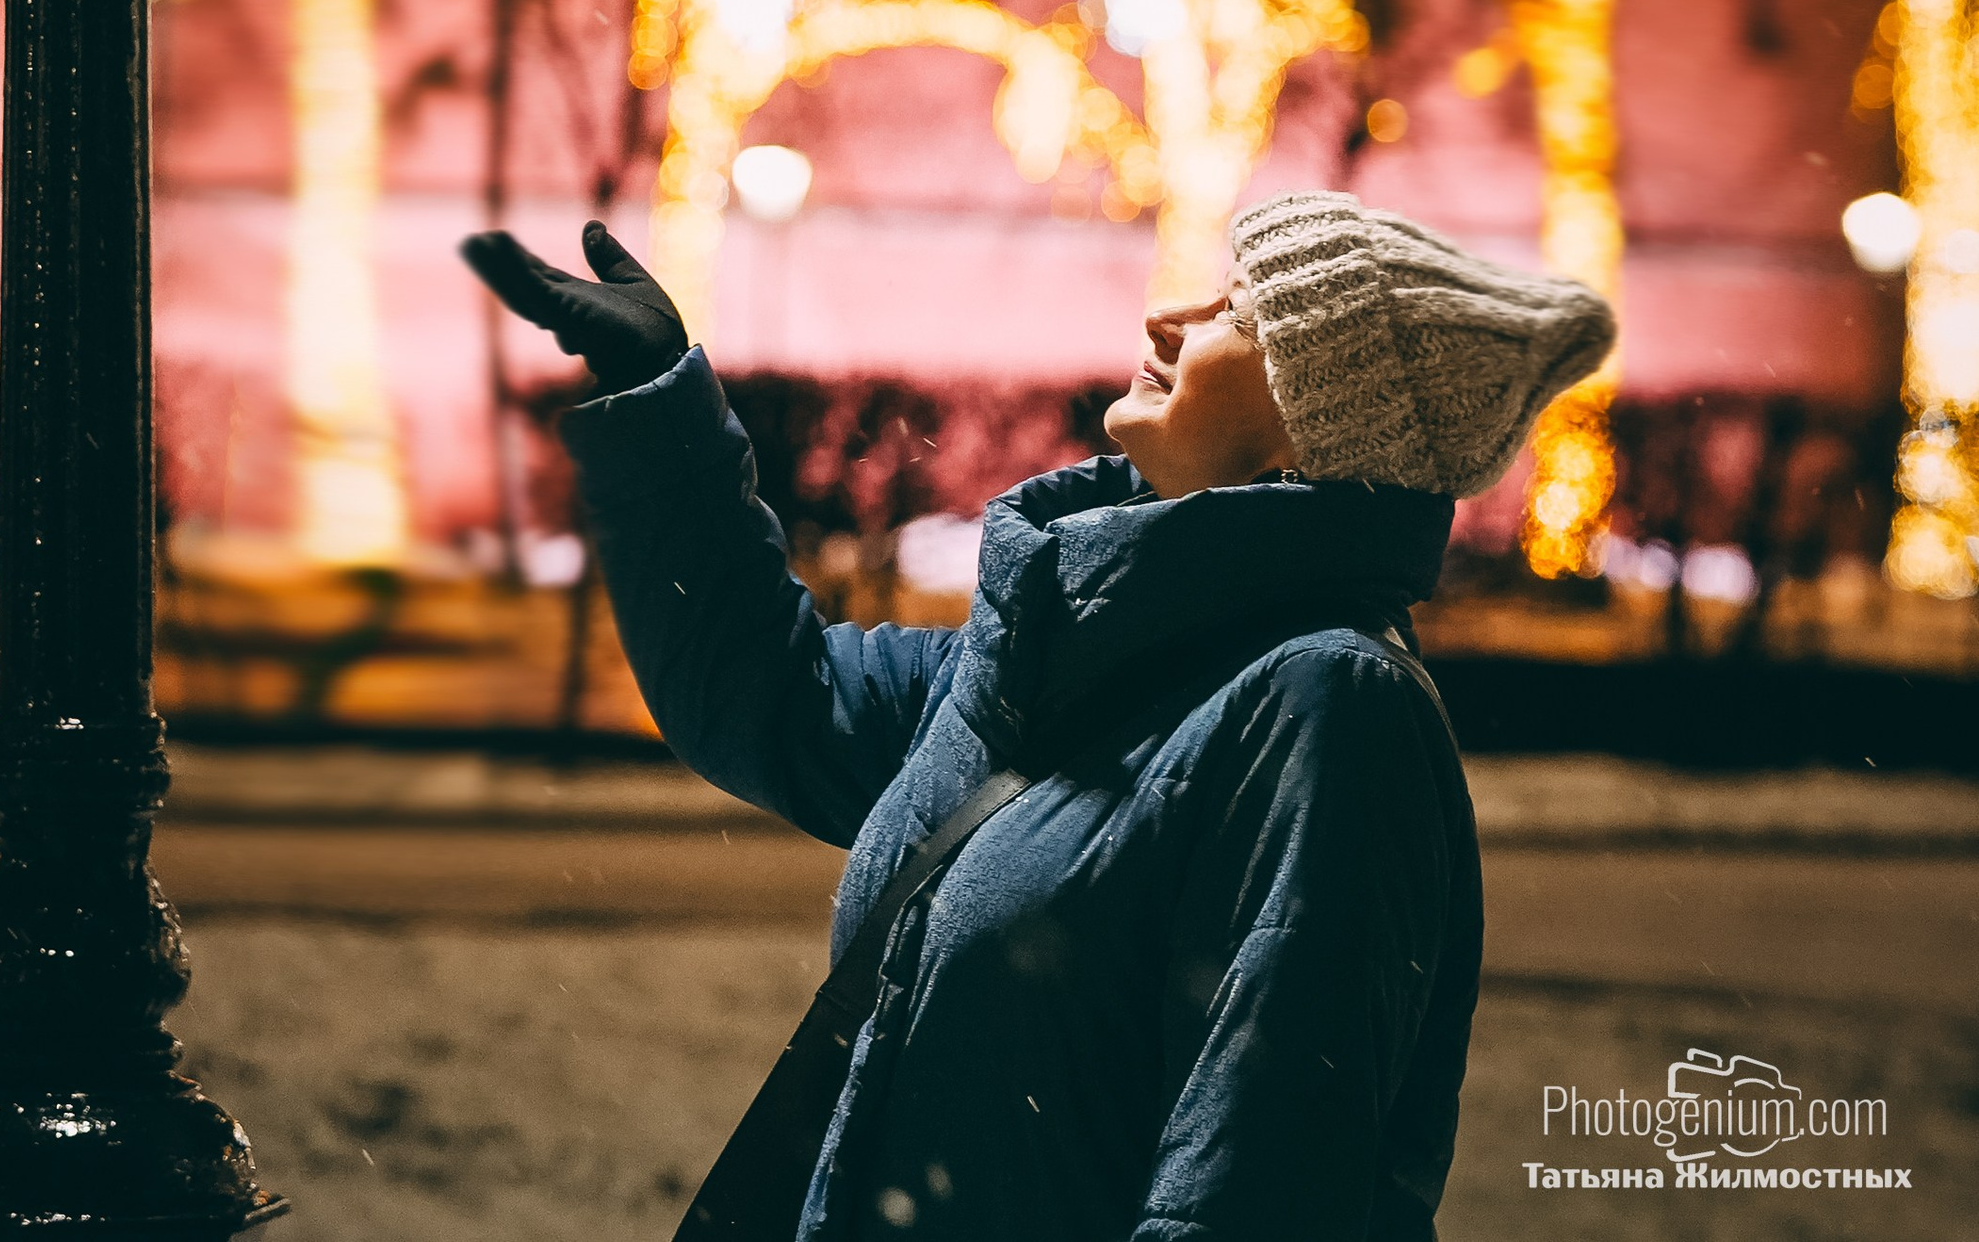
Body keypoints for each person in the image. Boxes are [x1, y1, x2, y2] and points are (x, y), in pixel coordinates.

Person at [462, 187, 1615, 1241]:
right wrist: (658, 402)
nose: (1171, 313)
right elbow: (778, 702)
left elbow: (1250, 1193)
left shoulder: (1326, 709)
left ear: (1319, 429)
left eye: (1242, 311)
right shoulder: (1074, 653)